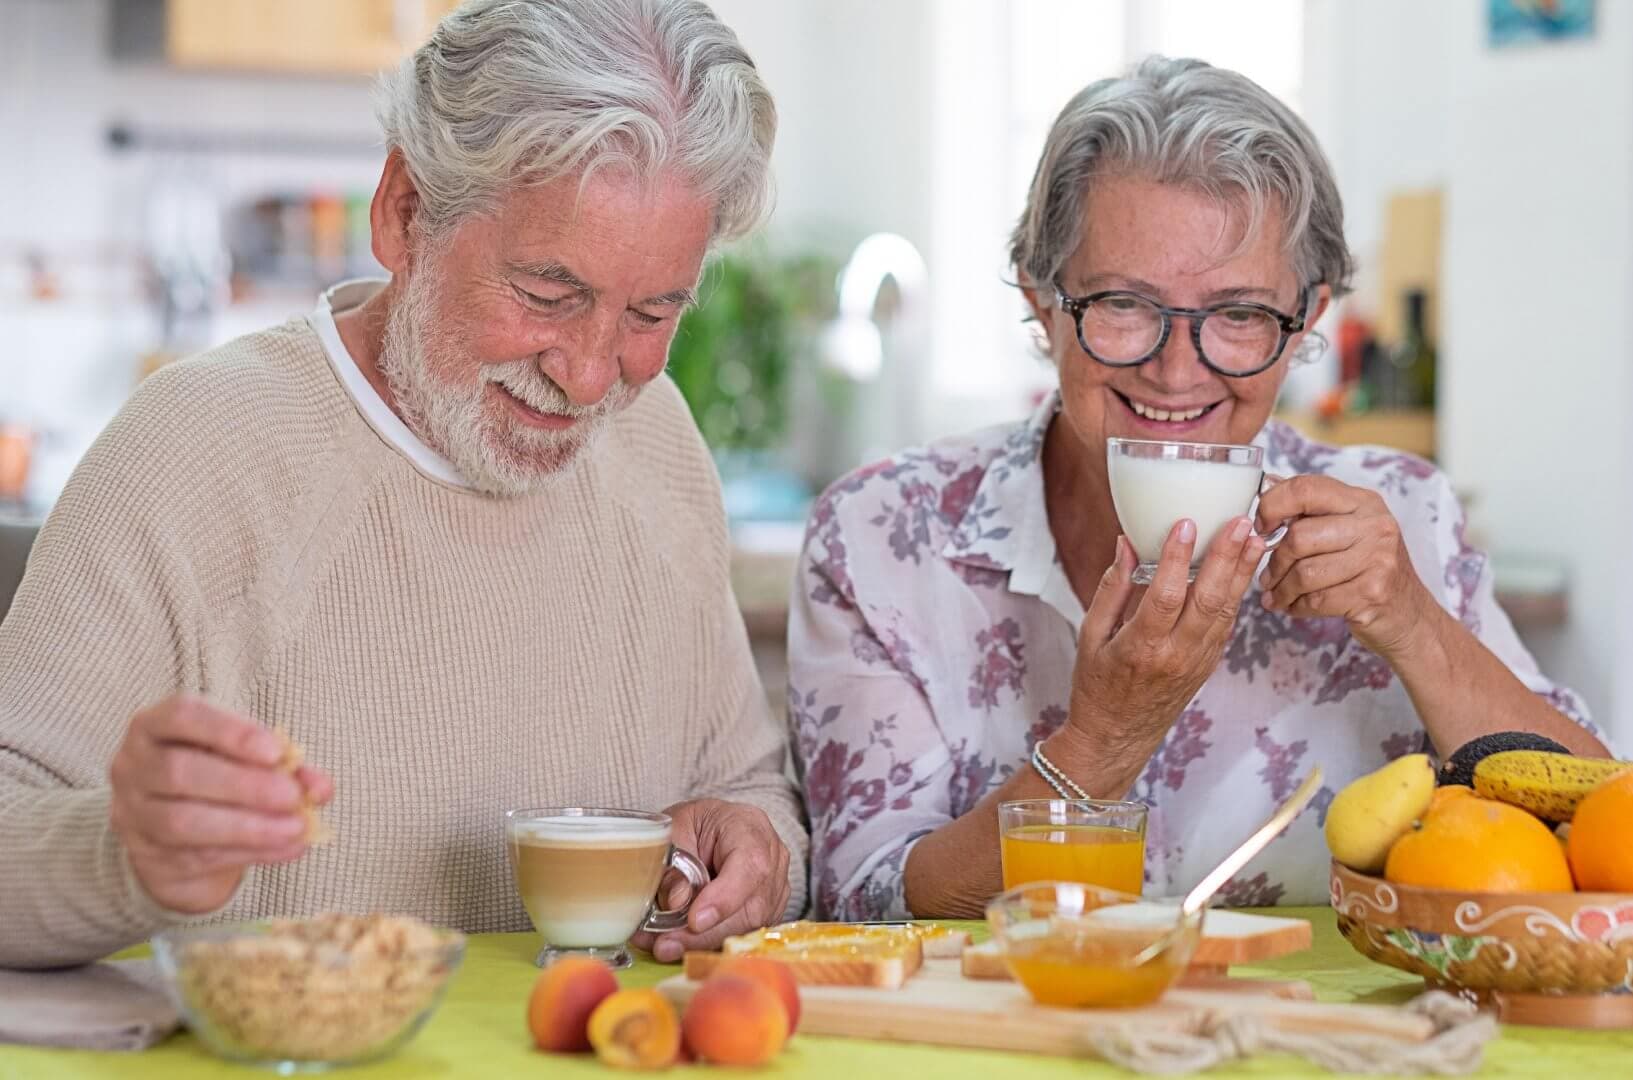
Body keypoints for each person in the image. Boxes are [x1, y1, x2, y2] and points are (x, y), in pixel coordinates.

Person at [0, 0, 805, 969]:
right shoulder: (194, 449)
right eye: (549, 295)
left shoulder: (657, 443)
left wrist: (755, 848)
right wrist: (122, 855)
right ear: (403, 212)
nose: (592, 376)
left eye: (651, 311)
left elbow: (749, 787)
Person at [789, 56, 1606, 920]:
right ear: (1040, 300)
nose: (1177, 371)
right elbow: (865, 903)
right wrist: (1103, 739)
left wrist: (1412, 624)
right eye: (1123, 305)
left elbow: (1601, 840)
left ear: (1307, 322)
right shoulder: (880, 536)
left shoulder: (1402, 513)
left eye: (1240, 314)